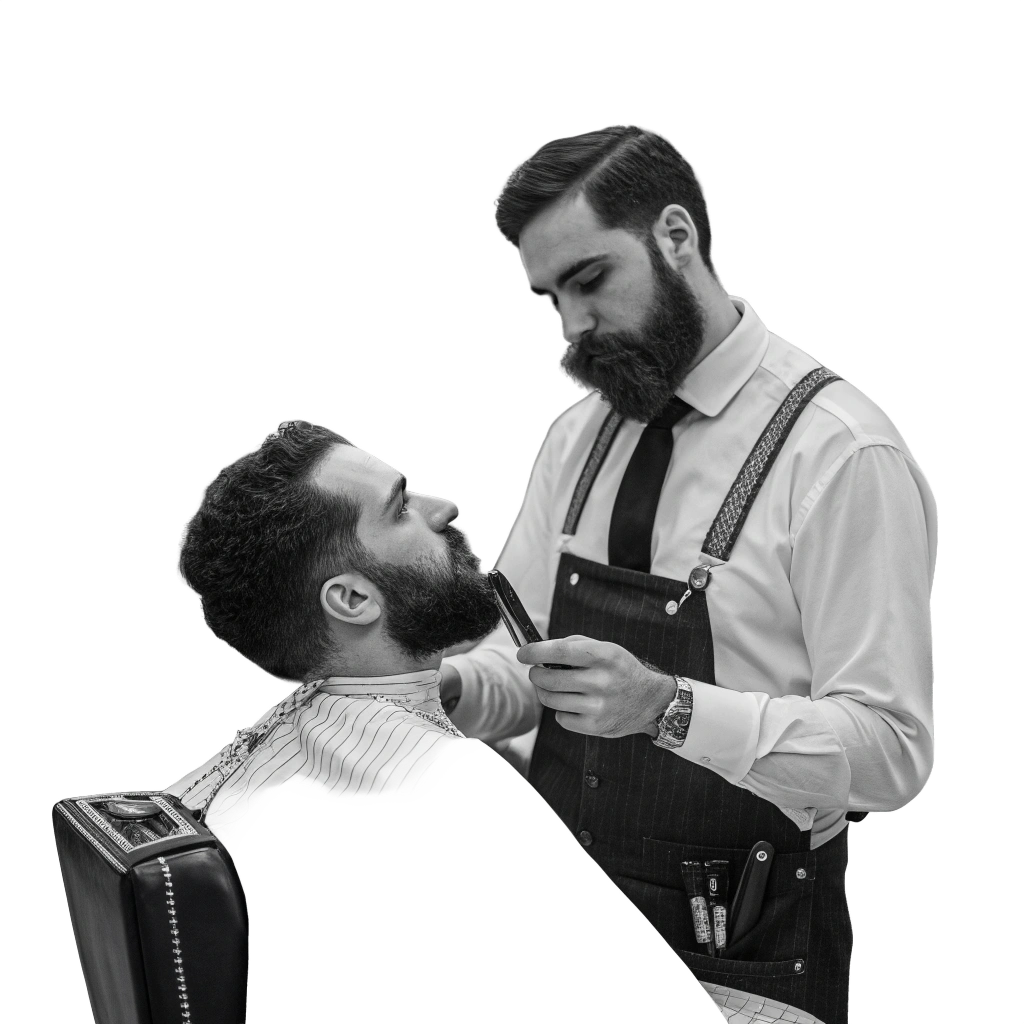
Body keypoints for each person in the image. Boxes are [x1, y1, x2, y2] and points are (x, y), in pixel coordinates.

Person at [438, 125, 937, 1024]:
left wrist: (665, 707)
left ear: (677, 235)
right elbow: (521, 666)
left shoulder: (842, 454)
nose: (572, 327)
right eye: (550, 297)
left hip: (740, 947)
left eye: (590, 281)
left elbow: (893, 754)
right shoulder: (576, 439)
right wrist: (448, 692)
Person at [165, 419, 724, 1016]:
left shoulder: (227, 775)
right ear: (353, 600)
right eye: (401, 508)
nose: (444, 508)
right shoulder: (445, 782)